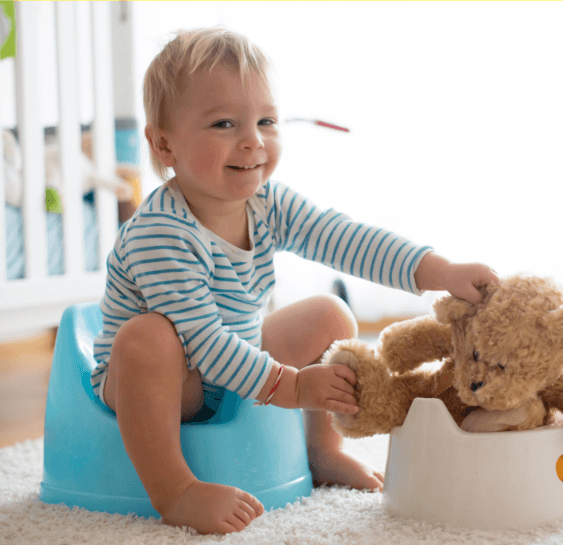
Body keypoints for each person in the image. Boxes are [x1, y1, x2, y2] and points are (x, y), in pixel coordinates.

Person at [90, 27, 500, 535]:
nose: (252, 140)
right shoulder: (160, 233)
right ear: (163, 143)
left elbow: (347, 239)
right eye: (223, 123)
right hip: (166, 381)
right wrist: (294, 385)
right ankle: (175, 489)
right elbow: (202, 341)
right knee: (148, 337)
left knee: (331, 314)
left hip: (236, 360)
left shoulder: (268, 203)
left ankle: (322, 449)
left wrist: (439, 271)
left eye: (266, 120)